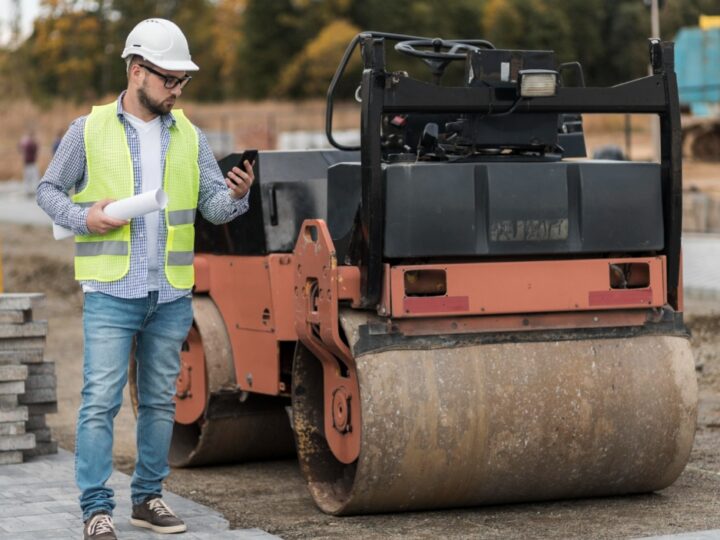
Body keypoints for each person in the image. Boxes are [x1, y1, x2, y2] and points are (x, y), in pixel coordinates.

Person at [36, 18, 255, 540]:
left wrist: (239, 197)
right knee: (100, 401)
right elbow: (48, 192)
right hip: (111, 290)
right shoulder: (86, 130)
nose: (178, 90)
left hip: (171, 292)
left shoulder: (192, 138)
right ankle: (95, 508)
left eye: (184, 81)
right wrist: (88, 218)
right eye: (169, 80)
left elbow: (213, 209)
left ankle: (148, 498)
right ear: (137, 71)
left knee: (160, 400)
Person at [18, 130, 39, 196]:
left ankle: (32, 190)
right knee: (29, 178)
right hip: (28, 163)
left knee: (33, 177)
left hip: (31, 163)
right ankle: (28, 191)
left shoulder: (28, 143)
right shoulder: (29, 144)